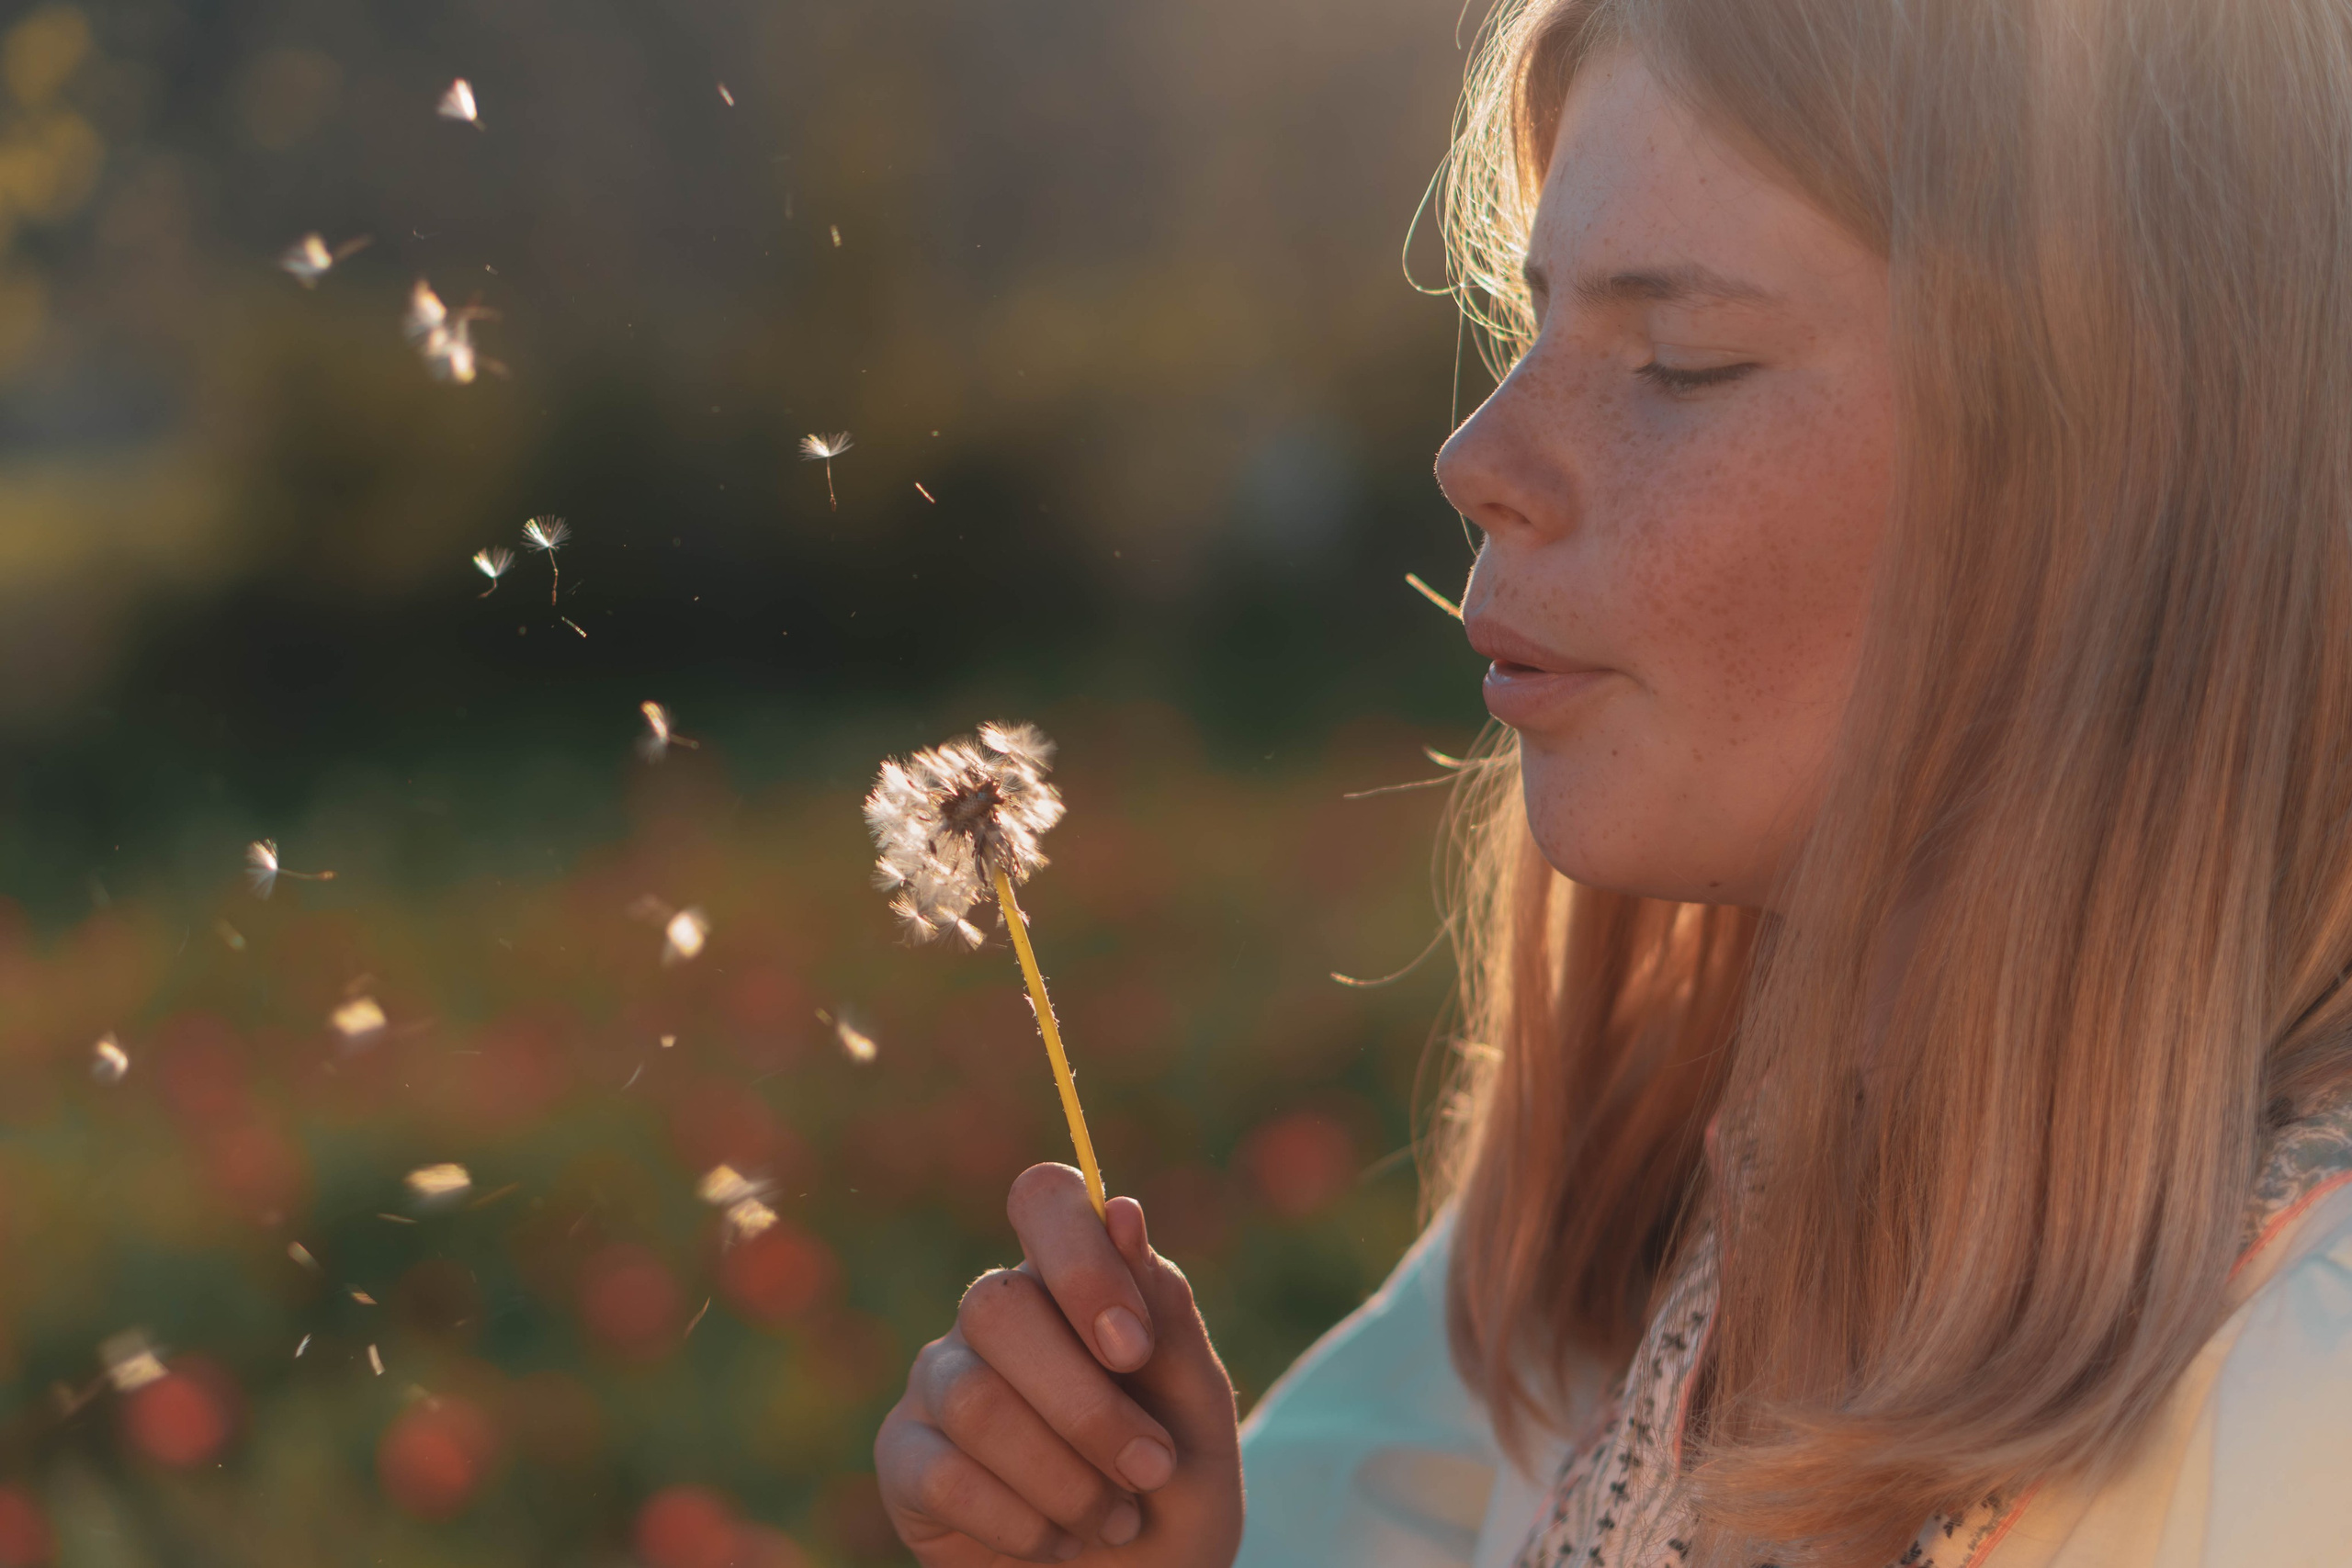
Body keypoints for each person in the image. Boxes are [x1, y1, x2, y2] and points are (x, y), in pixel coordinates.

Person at [873, 0, 2352, 1560]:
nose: (1477, 452)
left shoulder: (2302, 1411)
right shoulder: (1611, 1259)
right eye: (1534, 329)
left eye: (1682, 360)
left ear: (2126, 489)